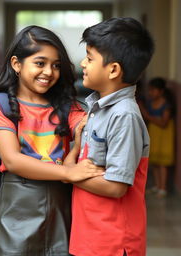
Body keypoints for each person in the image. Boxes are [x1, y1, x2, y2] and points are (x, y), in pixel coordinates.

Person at [0, 25, 103, 256]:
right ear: (16, 64)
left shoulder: (70, 107)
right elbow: (13, 160)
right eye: (40, 63)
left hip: (62, 207)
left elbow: (91, 132)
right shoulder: (0, 105)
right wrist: (68, 172)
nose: (49, 71)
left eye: (56, 65)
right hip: (17, 209)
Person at [64, 17, 154, 256]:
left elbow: (115, 187)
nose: (83, 63)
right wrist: (72, 162)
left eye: (90, 58)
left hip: (113, 242)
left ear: (113, 69)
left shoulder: (124, 116)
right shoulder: (98, 108)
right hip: (90, 237)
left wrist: (69, 174)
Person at [140, 77, 175, 198]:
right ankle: (156, 185)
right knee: (154, 162)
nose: (150, 93)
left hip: (164, 136)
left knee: (162, 163)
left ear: (160, 91)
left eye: (153, 90)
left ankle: (163, 188)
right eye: (149, 90)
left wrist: (147, 115)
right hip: (153, 134)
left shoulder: (166, 105)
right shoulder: (150, 103)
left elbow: (163, 123)